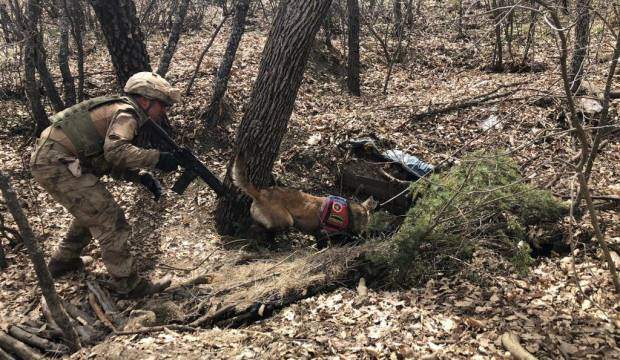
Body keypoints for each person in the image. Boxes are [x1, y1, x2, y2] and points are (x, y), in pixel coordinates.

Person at [30, 72, 185, 298]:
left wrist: (141, 176)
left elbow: (103, 156)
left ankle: (63, 262)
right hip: (55, 163)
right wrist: (158, 158)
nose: (164, 112)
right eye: (162, 105)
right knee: (109, 217)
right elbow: (116, 152)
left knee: (90, 211)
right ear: (145, 100)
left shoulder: (119, 109)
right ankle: (129, 285)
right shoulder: (127, 113)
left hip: (54, 160)